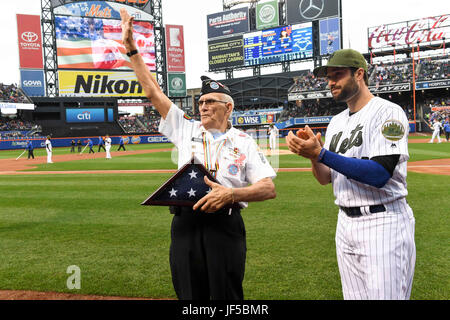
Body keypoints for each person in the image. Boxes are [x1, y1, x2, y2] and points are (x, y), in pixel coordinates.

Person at [120, 8, 277, 300]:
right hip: (186, 224)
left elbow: (268, 188)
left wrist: (231, 195)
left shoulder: (244, 141)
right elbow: (152, 91)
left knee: (226, 295)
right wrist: (131, 49)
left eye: (210, 101)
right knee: (188, 294)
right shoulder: (185, 128)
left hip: (224, 225)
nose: (202, 106)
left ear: (228, 107)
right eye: (200, 101)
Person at [286, 49, 416, 300]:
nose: (331, 82)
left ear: (359, 74)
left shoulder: (388, 112)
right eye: (328, 77)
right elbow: (325, 178)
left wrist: (322, 154)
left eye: (338, 75)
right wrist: (313, 155)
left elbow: (379, 174)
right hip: (345, 224)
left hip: (383, 221)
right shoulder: (336, 122)